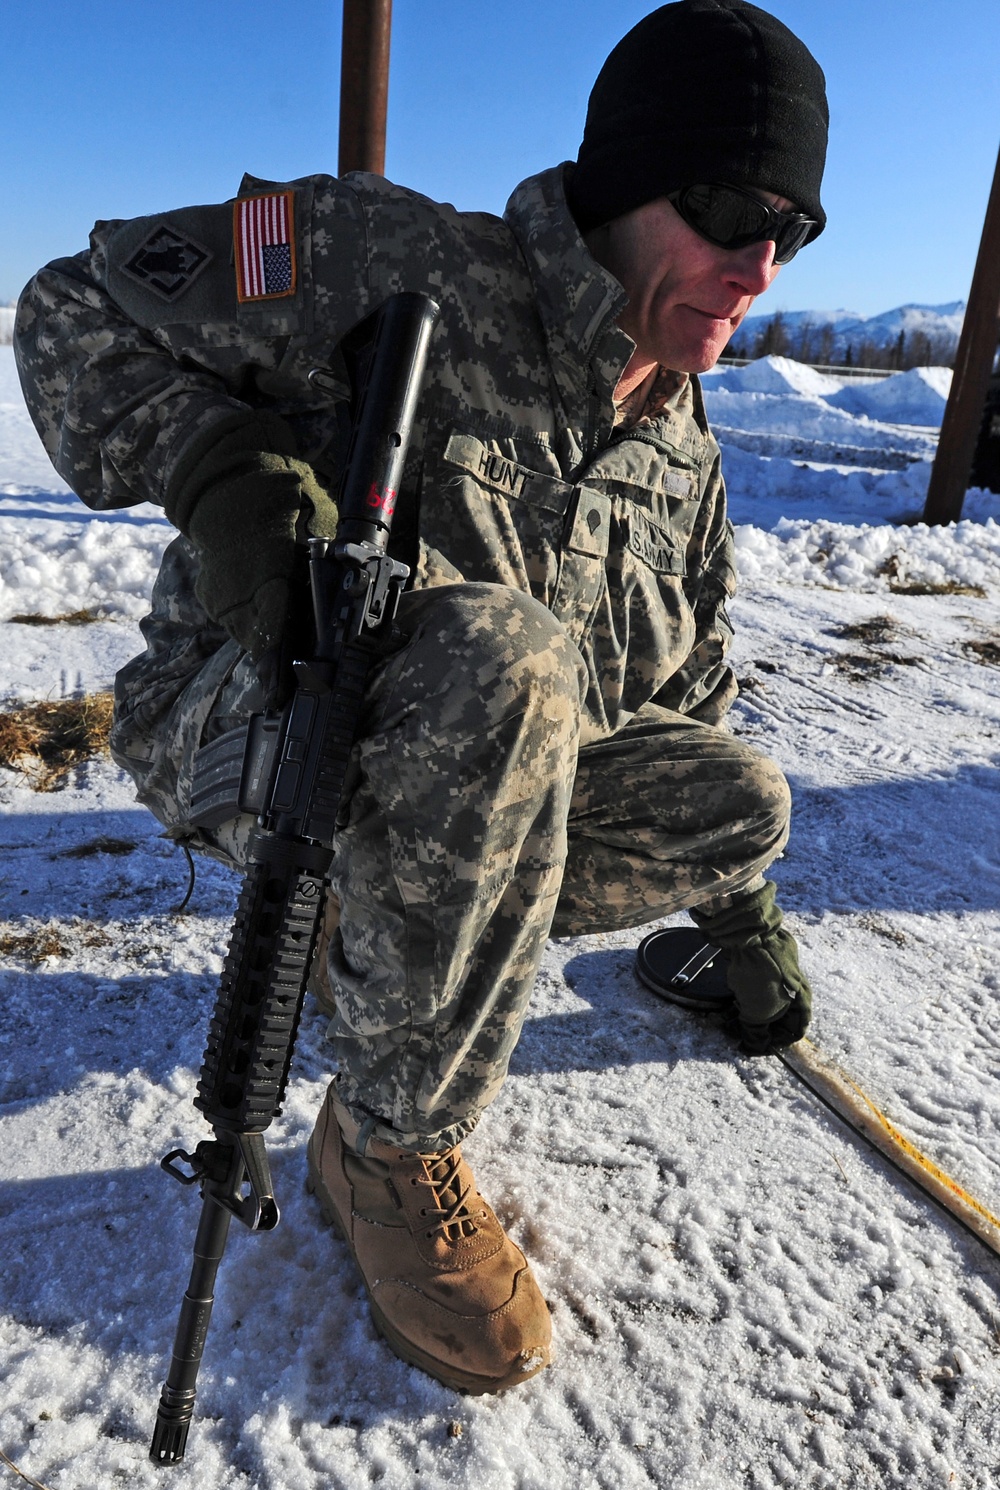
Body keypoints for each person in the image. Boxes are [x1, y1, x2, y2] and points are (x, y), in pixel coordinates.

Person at [15, 0, 827, 1397]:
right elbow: (67, 306)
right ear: (627, 183)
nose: (758, 264)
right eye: (727, 209)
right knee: (508, 662)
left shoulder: (684, 448)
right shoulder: (382, 254)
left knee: (737, 793)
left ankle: (390, 941)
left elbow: (688, 691)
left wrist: (740, 908)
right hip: (249, 725)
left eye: (793, 230)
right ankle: (386, 1143)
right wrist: (229, 483)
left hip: (450, 789)